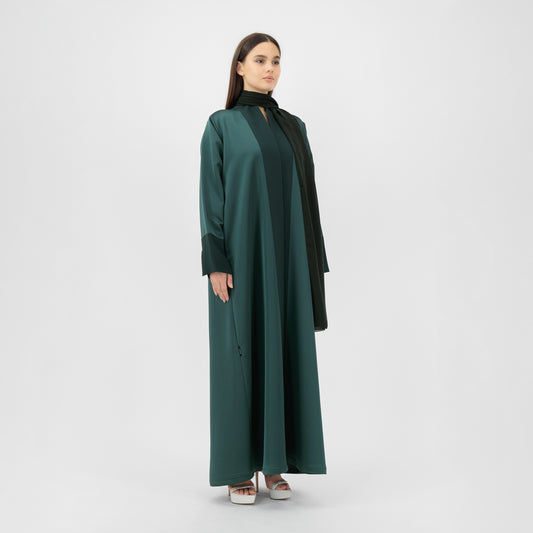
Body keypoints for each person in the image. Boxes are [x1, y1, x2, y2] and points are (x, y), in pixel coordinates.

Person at [199, 32, 330, 505]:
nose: (270, 68)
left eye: (276, 60)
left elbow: (307, 199)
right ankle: (239, 468)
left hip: (289, 260)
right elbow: (210, 194)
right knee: (238, 355)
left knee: (284, 350)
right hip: (240, 260)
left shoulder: (293, 126)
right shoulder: (221, 125)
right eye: (259, 60)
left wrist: (312, 262)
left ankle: (275, 463)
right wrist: (215, 261)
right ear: (239, 67)